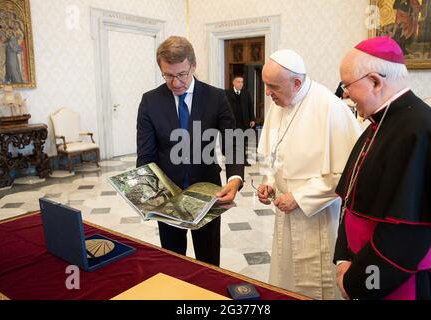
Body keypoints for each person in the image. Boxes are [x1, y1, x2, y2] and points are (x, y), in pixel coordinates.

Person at [334, 36, 431, 300]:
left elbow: (406, 238)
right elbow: (350, 201)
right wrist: (343, 258)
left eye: (347, 85)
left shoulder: (422, 133)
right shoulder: (379, 123)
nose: (345, 94)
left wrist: (357, 283)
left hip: (404, 284)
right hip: (367, 271)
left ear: (375, 81)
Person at [256, 49, 362, 300]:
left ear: (296, 83)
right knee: (286, 277)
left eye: (272, 86)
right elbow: (273, 155)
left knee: (317, 283)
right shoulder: (278, 105)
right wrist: (269, 182)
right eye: (266, 85)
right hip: (285, 214)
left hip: (318, 218)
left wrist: (300, 197)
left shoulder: (330, 108)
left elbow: (347, 174)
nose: (267, 93)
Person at [136, 36, 244, 267]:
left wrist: (234, 179)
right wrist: (146, 194)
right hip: (168, 199)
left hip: (208, 195)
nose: (175, 83)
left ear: (193, 66)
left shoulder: (216, 97)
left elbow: (233, 143)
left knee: (208, 262)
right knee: (173, 262)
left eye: (182, 74)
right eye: (168, 75)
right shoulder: (150, 102)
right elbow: (146, 156)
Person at [226, 75, 255, 166]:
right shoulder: (227, 93)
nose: (240, 84)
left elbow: (250, 106)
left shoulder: (246, 93)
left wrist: (252, 119)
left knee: (242, 141)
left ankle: (243, 160)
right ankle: (232, 159)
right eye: (238, 82)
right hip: (232, 122)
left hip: (244, 121)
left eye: (242, 82)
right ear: (233, 83)